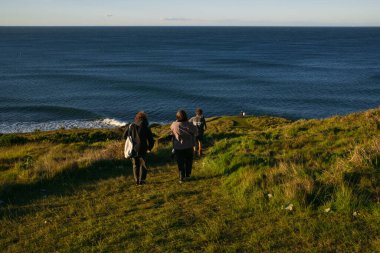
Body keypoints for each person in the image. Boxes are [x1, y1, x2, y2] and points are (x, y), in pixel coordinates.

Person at [123, 111, 154, 185]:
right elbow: (151, 140)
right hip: (143, 148)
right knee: (143, 165)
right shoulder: (146, 127)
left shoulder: (131, 126)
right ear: (145, 119)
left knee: (135, 165)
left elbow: (124, 136)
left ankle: (136, 180)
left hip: (133, 149)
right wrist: (149, 148)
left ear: (136, 118)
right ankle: (142, 181)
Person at [170, 110, 197, 183]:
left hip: (178, 147)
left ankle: (181, 177)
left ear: (177, 117)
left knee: (180, 162)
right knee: (188, 161)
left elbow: (171, 129)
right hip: (189, 146)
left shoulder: (174, 124)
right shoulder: (189, 124)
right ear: (185, 116)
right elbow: (195, 131)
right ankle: (187, 175)